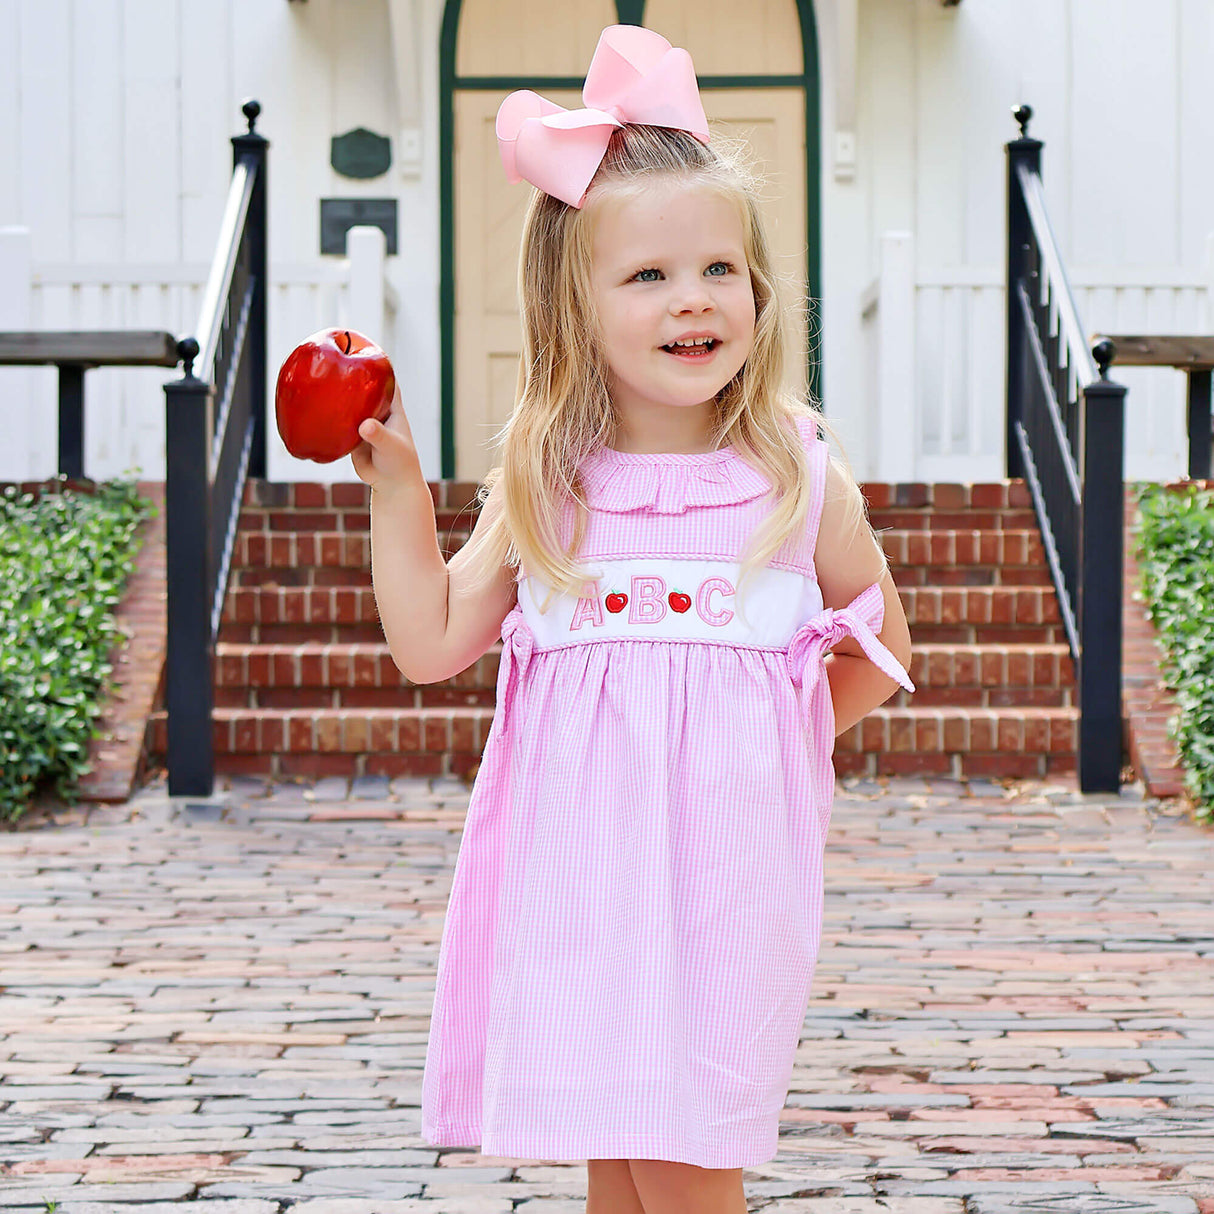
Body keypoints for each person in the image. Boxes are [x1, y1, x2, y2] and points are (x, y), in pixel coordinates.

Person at [351, 24, 914, 1214]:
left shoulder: (792, 474)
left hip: (725, 878)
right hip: (582, 878)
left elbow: (880, 647)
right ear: (575, 305)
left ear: (756, 288)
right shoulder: (549, 480)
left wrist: (768, 740)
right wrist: (397, 491)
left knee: (684, 1149)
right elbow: (431, 640)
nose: (692, 297)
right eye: (648, 276)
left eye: (718, 268)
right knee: (617, 1156)